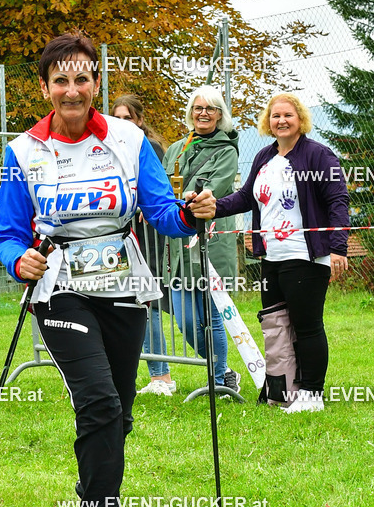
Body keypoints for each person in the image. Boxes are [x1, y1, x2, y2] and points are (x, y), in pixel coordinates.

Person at [0, 32, 203, 507]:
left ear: (95, 84)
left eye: (81, 79)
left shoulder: (129, 140)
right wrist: (19, 261)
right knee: (100, 403)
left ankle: (93, 484)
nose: (72, 90)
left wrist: (189, 214)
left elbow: (162, 212)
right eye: (60, 80)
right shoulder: (23, 152)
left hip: (123, 287)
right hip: (60, 289)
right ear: (45, 88)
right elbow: (8, 233)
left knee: (119, 412)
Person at [191, 92, 350, 413]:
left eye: (288, 115)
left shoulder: (318, 156)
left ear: (300, 119)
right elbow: (245, 198)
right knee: (276, 326)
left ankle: (312, 395)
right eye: (275, 116)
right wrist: (213, 207)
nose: (281, 121)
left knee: (306, 326)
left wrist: (338, 248)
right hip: (271, 257)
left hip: (306, 257)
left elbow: (338, 201)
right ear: (268, 121)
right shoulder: (264, 156)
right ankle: (281, 391)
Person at [162, 86, 241, 393]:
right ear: (190, 113)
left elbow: (213, 189)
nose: (203, 113)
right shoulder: (176, 148)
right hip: (178, 245)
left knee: (210, 317)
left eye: (210, 108)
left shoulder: (227, 150)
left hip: (210, 242)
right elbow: (161, 187)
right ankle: (225, 370)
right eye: (198, 108)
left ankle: (219, 381)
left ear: (220, 115)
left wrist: (177, 202)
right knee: (184, 321)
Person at [112, 93, 175, 396]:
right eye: (117, 118)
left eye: (128, 118)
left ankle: (161, 375)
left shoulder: (150, 147)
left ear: (139, 120)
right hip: (116, 240)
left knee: (146, 303)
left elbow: (155, 194)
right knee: (123, 304)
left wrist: (140, 205)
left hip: (146, 238)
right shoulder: (107, 148)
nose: (123, 123)